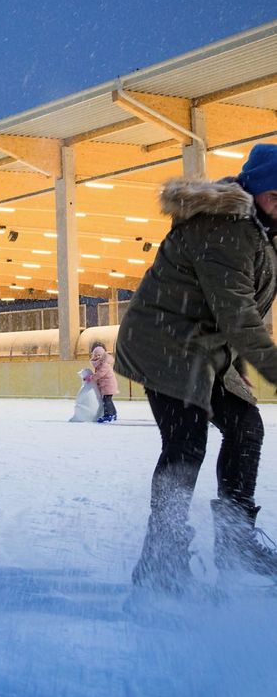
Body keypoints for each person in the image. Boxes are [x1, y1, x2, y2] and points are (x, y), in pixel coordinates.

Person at [116, 144, 277, 595]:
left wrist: (237, 366)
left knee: (246, 427)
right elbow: (238, 315)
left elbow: (243, 307)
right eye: (275, 196)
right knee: (186, 442)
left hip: (205, 349)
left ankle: (235, 538)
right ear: (254, 191)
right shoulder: (226, 228)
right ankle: (161, 559)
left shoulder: (262, 228)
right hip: (164, 343)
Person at [87, 343, 118, 423]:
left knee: (106, 400)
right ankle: (113, 414)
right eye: (96, 355)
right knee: (108, 400)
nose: (97, 357)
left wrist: (91, 378)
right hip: (107, 385)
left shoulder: (104, 364)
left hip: (108, 385)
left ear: (103, 355)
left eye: (99, 355)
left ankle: (109, 415)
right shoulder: (100, 363)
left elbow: (100, 374)